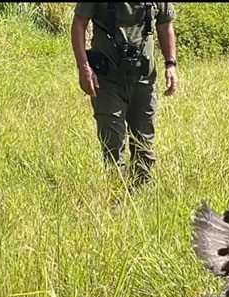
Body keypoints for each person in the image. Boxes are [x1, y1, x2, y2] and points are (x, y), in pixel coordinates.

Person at [71, 2, 178, 189]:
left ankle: (141, 194)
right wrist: (84, 67)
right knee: (113, 146)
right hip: (107, 81)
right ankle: (116, 197)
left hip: (143, 81)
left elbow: (165, 25)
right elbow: (79, 24)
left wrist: (171, 65)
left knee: (144, 145)